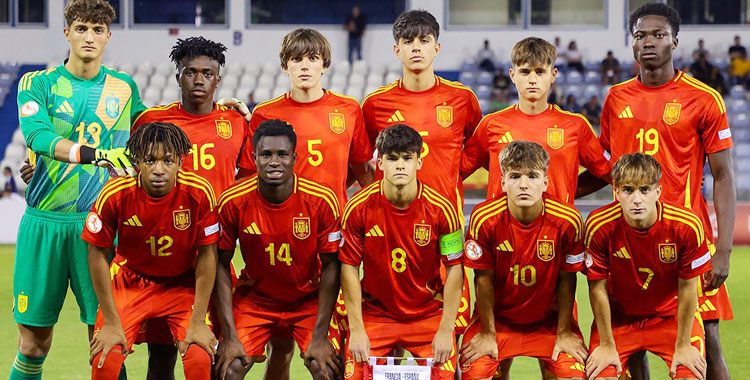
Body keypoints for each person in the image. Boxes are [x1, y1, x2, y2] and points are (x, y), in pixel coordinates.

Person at [11, 1, 146, 379]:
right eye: (82, 28)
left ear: (108, 37)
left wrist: (213, 109)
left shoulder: (125, 88)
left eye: (97, 30)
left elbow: (155, 128)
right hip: (45, 222)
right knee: (33, 344)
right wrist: (96, 155)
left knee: (107, 340)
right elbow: (38, 136)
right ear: (67, 32)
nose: (89, 37)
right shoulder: (38, 83)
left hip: (98, 228)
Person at [601, 4, 735, 379]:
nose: (648, 42)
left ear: (674, 41)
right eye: (640, 35)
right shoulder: (616, 99)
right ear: (631, 44)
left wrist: (722, 250)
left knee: (707, 340)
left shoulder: (704, 98)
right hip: (628, 237)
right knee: (632, 341)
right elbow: (607, 168)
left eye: (658, 35)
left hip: (688, 239)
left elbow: (723, 175)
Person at [361, 9, 481, 358]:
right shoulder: (375, 104)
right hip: (390, 232)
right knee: (389, 341)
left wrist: (453, 175)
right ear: (396, 50)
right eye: (408, 41)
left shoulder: (462, 99)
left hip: (446, 229)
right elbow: (363, 158)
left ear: (437, 48)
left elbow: (478, 148)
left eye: (424, 41)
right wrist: (375, 189)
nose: (417, 48)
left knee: (445, 344)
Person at [129, 36, 249, 380]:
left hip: (216, 254)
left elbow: (248, 183)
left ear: (218, 79)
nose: (198, 79)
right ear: (177, 75)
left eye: (207, 73)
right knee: (162, 356)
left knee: (216, 355)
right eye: (190, 72)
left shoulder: (237, 122)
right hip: (165, 255)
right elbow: (130, 174)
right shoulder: (152, 122)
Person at [82, 122, 218, 380]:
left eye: (167, 160)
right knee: (105, 360)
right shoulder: (115, 193)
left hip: (182, 284)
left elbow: (208, 255)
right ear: (137, 162)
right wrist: (111, 322)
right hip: (131, 281)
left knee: (200, 357)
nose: (158, 170)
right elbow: (96, 254)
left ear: (180, 161)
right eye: (149, 160)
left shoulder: (199, 193)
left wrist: (199, 319)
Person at [212, 120, 341, 380]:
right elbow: (220, 263)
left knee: (328, 369)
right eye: (266, 154)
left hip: (308, 300)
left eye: (282, 154)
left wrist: (319, 335)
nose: (274, 162)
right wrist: (230, 335)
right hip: (255, 300)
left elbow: (332, 266)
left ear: (294, 157)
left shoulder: (321, 200)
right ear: (253, 157)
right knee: (227, 368)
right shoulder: (233, 201)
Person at [340, 124, 464, 380]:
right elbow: (349, 268)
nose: (400, 165)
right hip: (376, 314)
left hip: (427, 314)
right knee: (354, 376)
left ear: (419, 162)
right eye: (392, 158)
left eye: (407, 158)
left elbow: (454, 269)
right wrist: (357, 329)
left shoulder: (442, 209)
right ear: (380, 163)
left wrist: (445, 329)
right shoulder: (358, 207)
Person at [460, 141, 586, 380]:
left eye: (533, 176)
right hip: (498, 322)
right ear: (503, 182)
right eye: (515, 176)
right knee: (476, 374)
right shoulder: (484, 218)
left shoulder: (568, 220)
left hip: (548, 322)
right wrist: (487, 332)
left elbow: (567, 279)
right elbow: (482, 280)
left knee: (573, 375)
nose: (524, 184)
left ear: (546, 183)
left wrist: (564, 331)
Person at [584, 153, 711, 380]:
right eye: (628, 190)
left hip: (670, 317)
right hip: (619, 320)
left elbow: (688, 288)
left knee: (689, 374)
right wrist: (606, 344)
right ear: (616, 191)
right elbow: (597, 288)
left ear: (658, 192)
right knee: (601, 375)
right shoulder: (598, 225)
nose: (637, 199)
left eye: (644, 190)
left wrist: (682, 345)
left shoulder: (686, 226)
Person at [462, 37, 610, 204]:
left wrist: (569, 191)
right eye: (525, 72)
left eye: (540, 71)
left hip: (557, 227)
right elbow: (457, 173)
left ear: (553, 75)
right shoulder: (491, 125)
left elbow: (608, 172)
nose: (532, 79)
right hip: (502, 228)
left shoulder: (576, 126)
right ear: (512, 75)